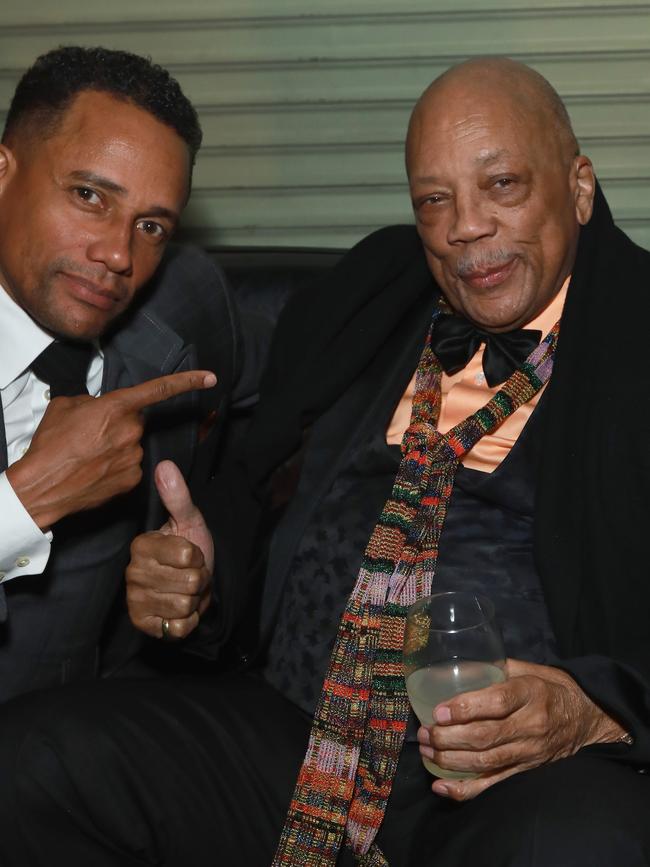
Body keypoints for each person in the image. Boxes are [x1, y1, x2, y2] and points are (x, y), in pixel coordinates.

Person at [0, 56, 648, 867]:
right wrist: (206, 578)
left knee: (586, 843)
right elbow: (253, 493)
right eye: (434, 201)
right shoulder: (372, 293)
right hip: (295, 733)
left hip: (517, 776)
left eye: (503, 186)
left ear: (579, 187)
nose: (465, 227)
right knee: (32, 765)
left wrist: (593, 710)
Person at [0, 45, 241, 702]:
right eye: (88, 195)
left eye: (153, 225)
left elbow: (255, 457)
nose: (117, 254)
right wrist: (23, 503)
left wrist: (191, 587)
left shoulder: (186, 307)